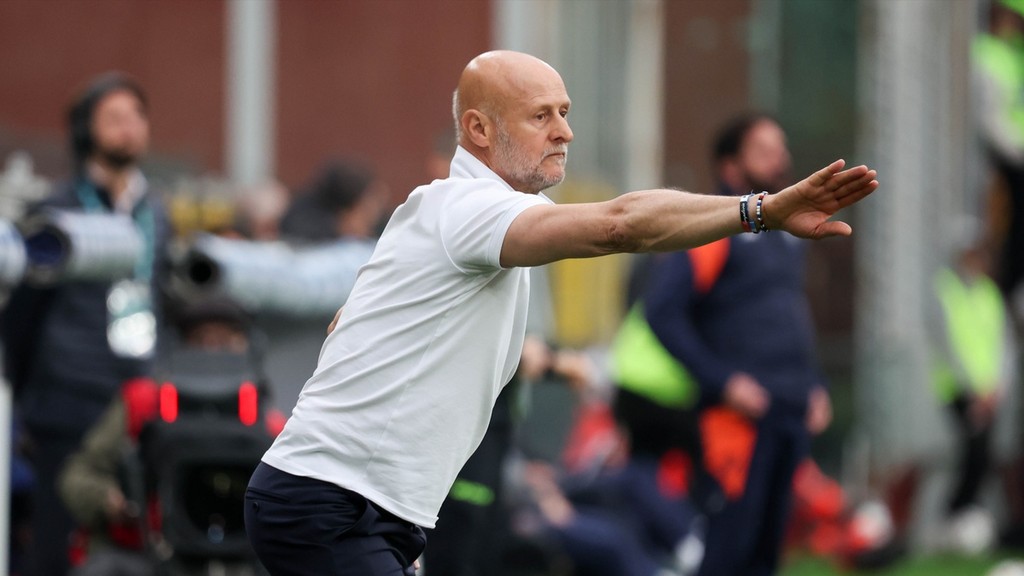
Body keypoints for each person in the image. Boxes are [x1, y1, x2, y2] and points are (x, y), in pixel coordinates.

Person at [243, 50, 878, 576]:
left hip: (358, 509)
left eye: (565, 113)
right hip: (329, 503)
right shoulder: (467, 209)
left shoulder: (456, 212)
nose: (565, 132)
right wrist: (759, 210)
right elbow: (620, 225)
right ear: (479, 130)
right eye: (541, 115)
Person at [632, 113, 835, 576]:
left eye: (780, 149)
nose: (780, 160)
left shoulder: (788, 234)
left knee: (768, 550)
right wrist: (723, 382)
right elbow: (661, 313)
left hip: (789, 410)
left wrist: (814, 383)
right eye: (764, 151)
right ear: (730, 165)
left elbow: (789, 316)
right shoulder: (713, 229)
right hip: (737, 419)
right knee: (729, 550)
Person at [1, 72, 168, 576]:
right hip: (67, 402)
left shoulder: (155, 212)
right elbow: (21, 319)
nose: (128, 128)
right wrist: (29, 401)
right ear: (84, 130)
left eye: (136, 116)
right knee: (57, 548)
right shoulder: (55, 212)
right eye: (114, 118)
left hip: (136, 401)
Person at [928, 226, 1017, 548]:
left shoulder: (989, 292)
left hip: (990, 393)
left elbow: (1004, 344)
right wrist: (975, 390)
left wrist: (998, 387)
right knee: (975, 453)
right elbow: (947, 344)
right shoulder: (946, 290)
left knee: (984, 455)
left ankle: (964, 515)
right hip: (961, 391)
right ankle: (954, 514)